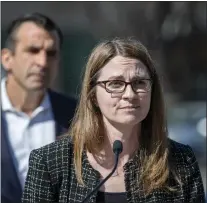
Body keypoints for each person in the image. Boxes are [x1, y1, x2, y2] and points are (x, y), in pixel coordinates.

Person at [22, 38, 205, 203]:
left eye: (139, 83)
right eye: (115, 84)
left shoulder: (181, 160)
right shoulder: (49, 162)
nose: (129, 94)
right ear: (93, 95)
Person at [1, 13, 77, 203]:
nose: (42, 63)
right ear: (7, 58)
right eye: (33, 50)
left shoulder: (78, 115)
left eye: (51, 53)